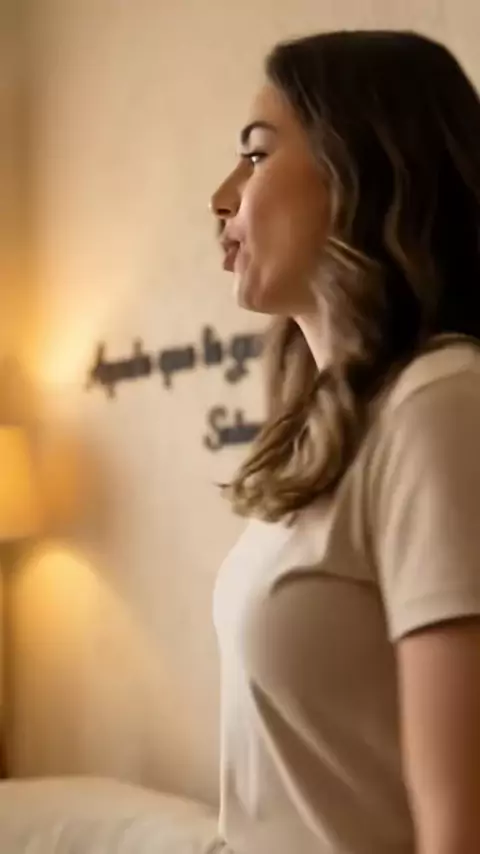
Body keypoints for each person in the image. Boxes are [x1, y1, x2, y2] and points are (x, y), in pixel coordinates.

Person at [208, 30, 480, 854]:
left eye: (256, 155)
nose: (223, 197)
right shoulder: (324, 432)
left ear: (361, 169)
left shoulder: (439, 403)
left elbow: (462, 826)